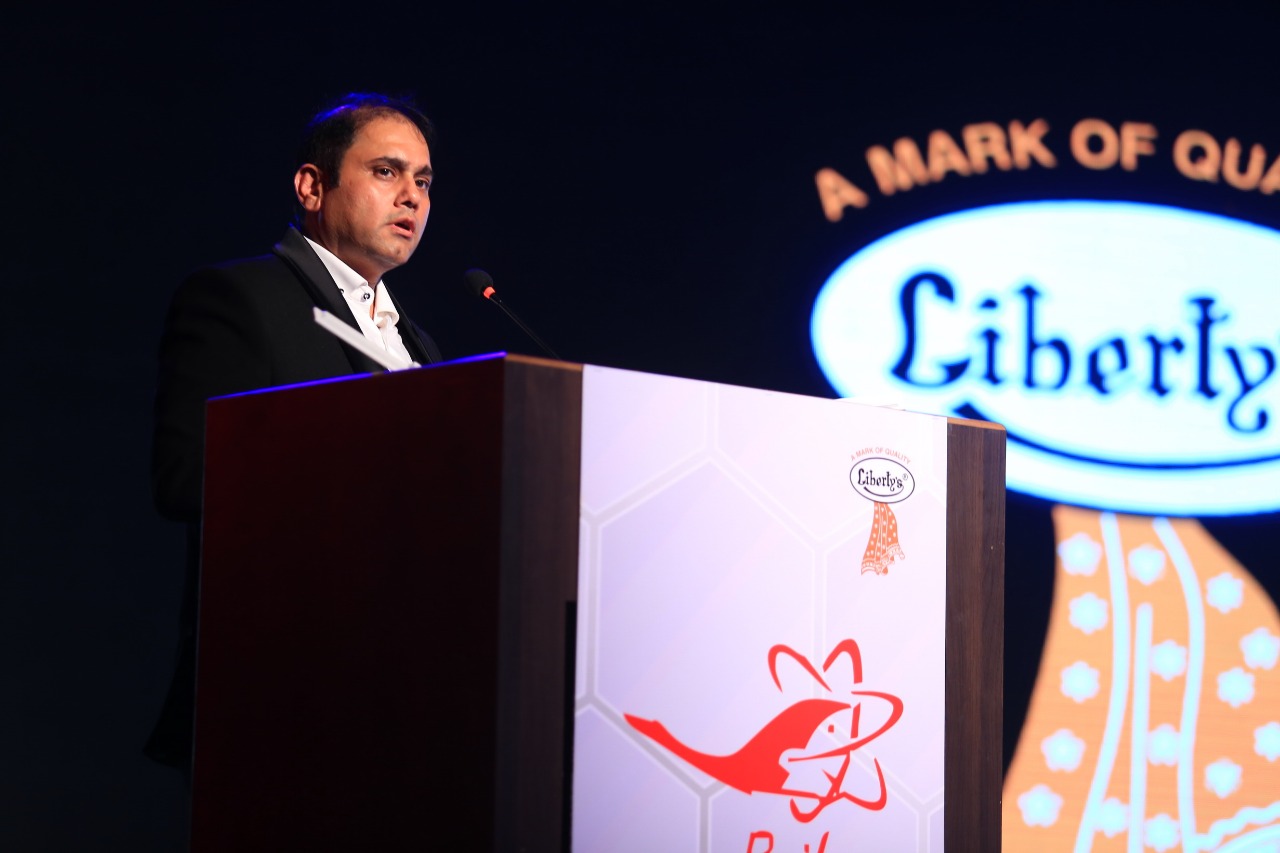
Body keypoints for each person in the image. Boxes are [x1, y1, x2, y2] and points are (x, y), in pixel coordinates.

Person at [147, 92, 442, 771]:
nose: (411, 197)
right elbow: (185, 479)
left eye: (423, 182)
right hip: (281, 689)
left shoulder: (420, 344)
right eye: (386, 172)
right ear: (312, 186)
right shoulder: (240, 299)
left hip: (412, 687)